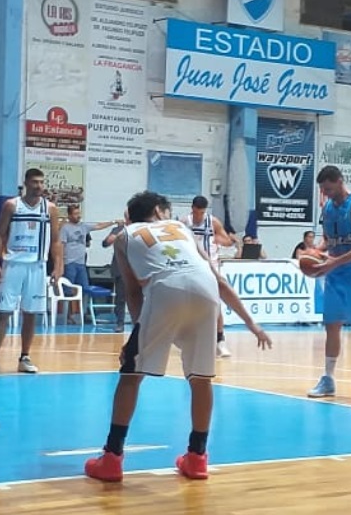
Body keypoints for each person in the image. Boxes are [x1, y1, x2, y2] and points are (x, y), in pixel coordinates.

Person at [84, 191, 272, 482]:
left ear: (129, 217)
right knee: (201, 378)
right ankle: (197, 458)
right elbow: (219, 279)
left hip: (164, 289)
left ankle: (112, 458)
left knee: (131, 374)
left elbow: (132, 291)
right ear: (159, 212)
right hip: (205, 290)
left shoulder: (124, 236)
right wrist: (252, 324)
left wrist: (137, 335)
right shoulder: (181, 227)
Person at [0, 168, 63, 375]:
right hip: (13, 264)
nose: (39, 186)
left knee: (31, 314)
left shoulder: (50, 209)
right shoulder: (12, 205)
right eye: (35, 182)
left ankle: (25, 357)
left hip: (38, 265)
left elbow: (56, 240)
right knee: (3, 312)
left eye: (41, 182)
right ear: (26, 183)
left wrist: (59, 266)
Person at [306, 166, 351, 402]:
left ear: (340, 181)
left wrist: (336, 261)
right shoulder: (327, 208)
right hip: (335, 273)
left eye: (328, 189)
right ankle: (328, 379)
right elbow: (329, 239)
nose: (326, 193)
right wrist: (317, 251)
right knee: (331, 326)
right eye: (323, 190)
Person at [181, 195, 236, 358]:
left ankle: (220, 340)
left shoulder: (213, 222)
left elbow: (226, 241)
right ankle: (192, 337)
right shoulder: (184, 223)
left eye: (202, 213)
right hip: (191, 266)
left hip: (211, 266)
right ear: (192, 209)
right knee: (190, 303)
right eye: (197, 212)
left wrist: (225, 240)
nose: (199, 216)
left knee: (216, 303)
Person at [60, 204, 120, 322]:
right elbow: (61, 245)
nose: (78, 216)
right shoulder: (65, 228)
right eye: (75, 214)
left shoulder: (84, 226)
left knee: (85, 289)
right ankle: (68, 316)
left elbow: (99, 226)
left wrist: (113, 222)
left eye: (79, 213)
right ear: (69, 215)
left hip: (81, 264)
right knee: (68, 290)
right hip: (69, 263)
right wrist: (61, 263)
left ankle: (84, 313)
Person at [102, 211, 129, 333]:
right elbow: (105, 244)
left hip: (136, 267)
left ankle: (141, 322)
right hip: (120, 267)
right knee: (120, 297)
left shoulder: (139, 228)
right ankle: (120, 322)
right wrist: (111, 239)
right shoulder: (118, 229)